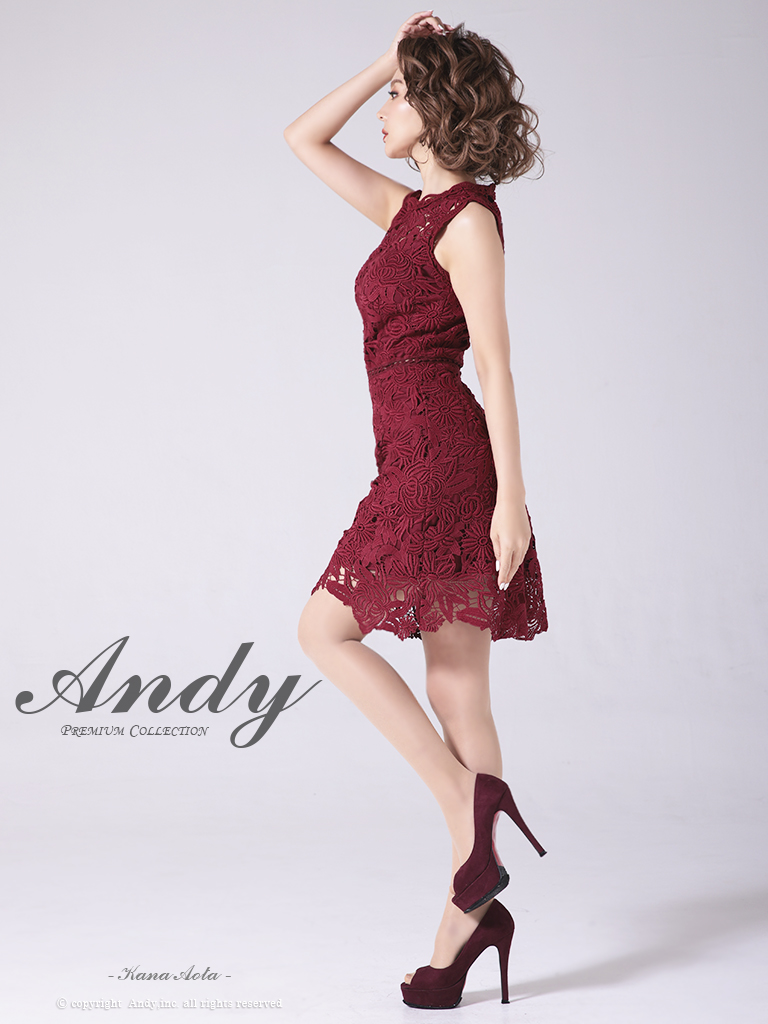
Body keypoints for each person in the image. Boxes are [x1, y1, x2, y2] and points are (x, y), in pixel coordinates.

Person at [286, 10, 548, 1009]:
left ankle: (466, 809)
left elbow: (498, 365)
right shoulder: (409, 211)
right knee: (456, 690)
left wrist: (513, 500)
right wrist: (385, 57)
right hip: (407, 454)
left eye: (398, 95)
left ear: (438, 109)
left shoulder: (468, 221)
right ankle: (471, 906)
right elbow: (302, 137)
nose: (383, 110)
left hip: (444, 462)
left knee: (325, 629)